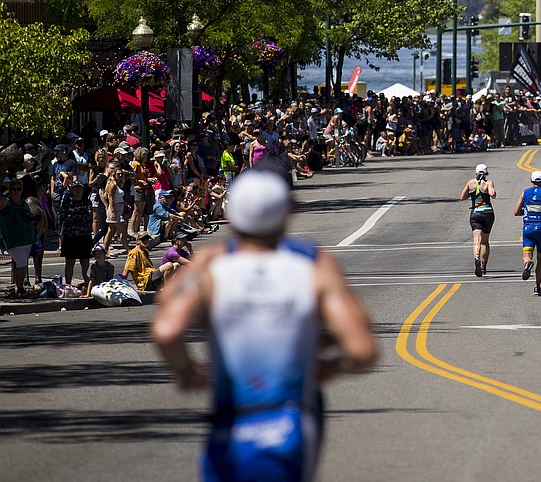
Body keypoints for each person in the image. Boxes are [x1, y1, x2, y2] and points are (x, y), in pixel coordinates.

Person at [152, 168, 377, 482]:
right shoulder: (313, 263)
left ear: (233, 216)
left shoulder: (214, 264)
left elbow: (167, 327)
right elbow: (363, 348)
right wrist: (331, 367)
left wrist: (186, 371)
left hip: (229, 425)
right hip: (290, 421)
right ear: (287, 213)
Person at [513, 170, 541, 297]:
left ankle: (527, 264)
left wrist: (526, 213)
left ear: (531, 181)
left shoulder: (525, 193)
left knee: (527, 254)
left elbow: (516, 212)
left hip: (528, 227)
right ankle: (537, 287)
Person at [1, 176, 37, 297]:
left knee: (22, 263)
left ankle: (18, 286)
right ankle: (19, 288)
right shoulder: (6, 203)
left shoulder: (24, 203)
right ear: (10, 190)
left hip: (27, 239)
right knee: (21, 263)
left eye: (19, 189)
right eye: (14, 189)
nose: (16, 191)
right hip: (13, 240)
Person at [459, 163, 497, 277]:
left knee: (477, 241)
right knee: (485, 242)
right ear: (486, 173)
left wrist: (472, 192)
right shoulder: (488, 183)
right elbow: (493, 194)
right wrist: (488, 186)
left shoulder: (470, 183)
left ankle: (476, 258)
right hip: (488, 214)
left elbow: (462, 197)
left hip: (475, 214)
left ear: (476, 173)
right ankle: (483, 266)